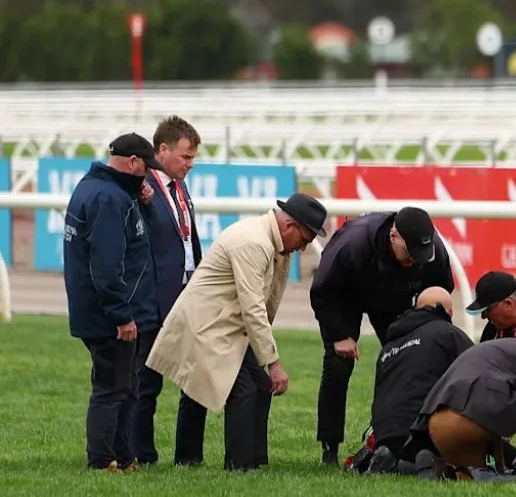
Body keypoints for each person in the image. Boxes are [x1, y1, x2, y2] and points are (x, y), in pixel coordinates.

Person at [147, 193, 327, 471]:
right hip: (203, 324)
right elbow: (253, 307)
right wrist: (273, 362)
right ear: (289, 226)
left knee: (257, 386)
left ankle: (247, 461)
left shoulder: (277, 243)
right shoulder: (253, 242)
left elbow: (267, 304)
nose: (303, 248)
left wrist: (260, 352)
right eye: (304, 240)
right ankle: (238, 466)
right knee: (241, 390)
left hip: (224, 325)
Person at [309, 206, 455, 466]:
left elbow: (440, 291)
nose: (415, 261)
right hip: (345, 297)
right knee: (337, 364)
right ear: (393, 236)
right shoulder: (351, 244)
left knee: (412, 360)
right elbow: (322, 291)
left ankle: (404, 439)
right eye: (410, 254)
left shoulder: (433, 251)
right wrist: (340, 335)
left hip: (393, 299)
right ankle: (329, 448)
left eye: (420, 255)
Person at [63, 133, 163, 472]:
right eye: (147, 169)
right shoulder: (109, 198)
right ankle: (102, 459)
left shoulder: (105, 189)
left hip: (104, 310)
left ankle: (124, 456)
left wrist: (145, 205)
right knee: (112, 388)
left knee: (127, 386)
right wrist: (121, 315)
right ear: (132, 162)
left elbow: (138, 241)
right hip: (108, 315)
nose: (148, 176)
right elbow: (106, 266)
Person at [133, 115, 204, 466]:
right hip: (152, 302)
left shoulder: (179, 185)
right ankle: (141, 454)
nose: (190, 164)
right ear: (162, 150)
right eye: (185, 156)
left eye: (193, 158)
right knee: (146, 384)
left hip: (186, 296)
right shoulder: (140, 186)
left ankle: (188, 457)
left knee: (194, 379)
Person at [407, 334, 516, 481]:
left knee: (474, 479)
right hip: (472, 422)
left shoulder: (493, 350)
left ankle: (436, 465)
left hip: (435, 426)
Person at [365, 286, 475, 475]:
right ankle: (412, 464)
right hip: (425, 433)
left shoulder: (389, 345)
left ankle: (391, 461)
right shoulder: (448, 334)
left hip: (384, 434)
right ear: (449, 312)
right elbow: (479, 375)